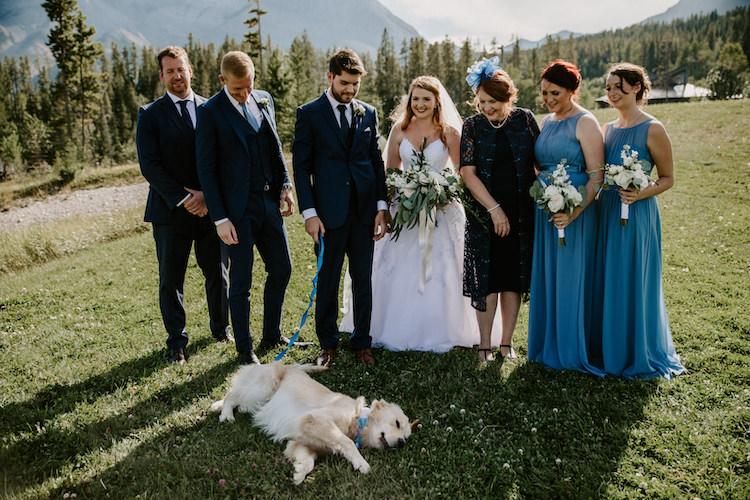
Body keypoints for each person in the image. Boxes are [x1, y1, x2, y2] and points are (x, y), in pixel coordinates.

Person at [340, 75, 479, 352]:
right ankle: (393, 326)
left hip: (441, 211)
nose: (420, 104)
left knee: (442, 269)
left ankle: (441, 328)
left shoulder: (450, 133)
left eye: (426, 99)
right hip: (404, 211)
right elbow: (390, 172)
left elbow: (462, 174)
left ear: (437, 101)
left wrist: (441, 192)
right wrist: (389, 208)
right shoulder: (399, 130)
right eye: (415, 99)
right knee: (397, 269)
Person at [196, 51, 295, 365]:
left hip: (268, 201)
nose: (245, 94)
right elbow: (207, 169)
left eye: (249, 86)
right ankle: (245, 350)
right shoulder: (210, 111)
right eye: (238, 89)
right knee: (241, 279)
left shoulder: (263, 99)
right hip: (236, 211)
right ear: (223, 80)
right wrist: (220, 218)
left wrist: (286, 185)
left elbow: (274, 145)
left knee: (282, 267)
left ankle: (272, 334)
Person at [293, 49, 389, 367]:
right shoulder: (309, 113)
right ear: (330, 77)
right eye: (345, 83)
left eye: (356, 84)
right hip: (327, 216)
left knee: (363, 279)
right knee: (329, 280)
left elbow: (375, 163)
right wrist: (309, 213)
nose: (350, 90)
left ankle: (362, 342)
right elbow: (301, 167)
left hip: (364, 213)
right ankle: (328, 344)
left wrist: (380, 206)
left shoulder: (368, 113)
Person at [136, 45, 231, 365]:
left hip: (211, 208)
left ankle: (221, 328)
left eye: (181, 69)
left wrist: (207, 195)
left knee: (218, 271)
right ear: (162, 75)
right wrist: (185, 198)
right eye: (170, 71)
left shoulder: (211, 107)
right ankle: (177, 340)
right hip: (170, 211)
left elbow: (221, 157)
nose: (177, 75)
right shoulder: (149, 114)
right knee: (171, 278)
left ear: (190, 70)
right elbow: (149, 165)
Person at [591, 62, 686, 379]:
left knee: (632, 278)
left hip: (638, 214)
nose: (612, 93)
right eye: (608, 87)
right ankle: (607, 347)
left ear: (637, 88)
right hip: (607, 212)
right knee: (607, 276)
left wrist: (640, 193)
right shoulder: (606, 130)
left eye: (618, 86)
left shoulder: (653, 128)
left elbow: (668, 178)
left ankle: (635, 349)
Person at [527, 60, 604, 374]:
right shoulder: (546, 121)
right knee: (548, 276)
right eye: (544, 93)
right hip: (545, 207)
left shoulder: (585, 122)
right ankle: (548, 345)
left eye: (555, 92)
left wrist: (574, 211)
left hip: (575, 210)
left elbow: (597, 177)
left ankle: (571, 349)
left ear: (574, 90)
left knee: (571, 277)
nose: (548, 99)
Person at [460, 58, 540, 361]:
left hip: (521, 212)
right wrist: (494, 210)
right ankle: (485, 343)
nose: (486, 107)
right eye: (481, 101)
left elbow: (540, 162)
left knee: (513, 277)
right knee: (487, 277)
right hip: (484, 214)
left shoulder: (525, 119)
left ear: (508, 98)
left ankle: (507, 342)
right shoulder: (472, 126)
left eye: (492, 101)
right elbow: (468, 173)